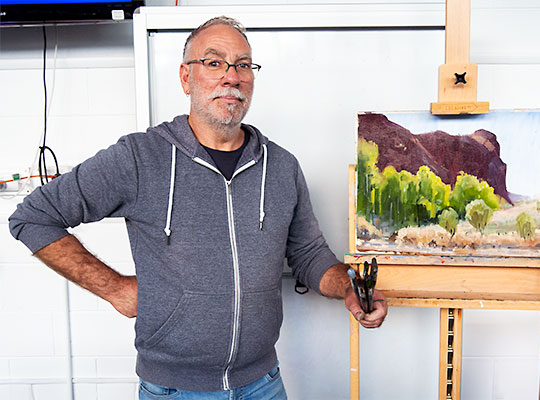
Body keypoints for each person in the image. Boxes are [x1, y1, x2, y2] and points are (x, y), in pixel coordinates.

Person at [8, 16, 387, 399]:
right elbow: (33, 218)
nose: (231, 76)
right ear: (186, 77)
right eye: (213, 62)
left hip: (263, 384)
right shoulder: (140, 159)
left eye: (243, 64)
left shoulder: (281, 166)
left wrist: (350, 287)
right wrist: (116, 289)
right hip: (174, 389)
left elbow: (308, 254)